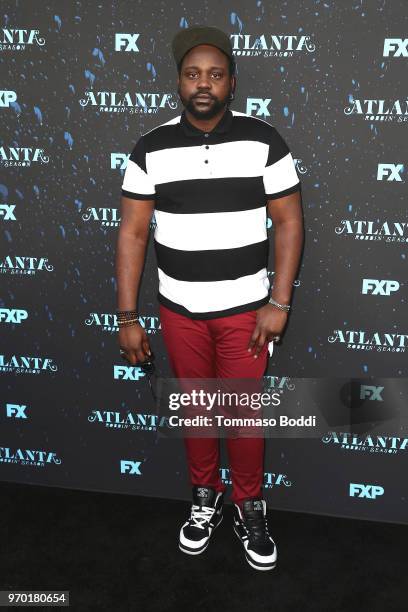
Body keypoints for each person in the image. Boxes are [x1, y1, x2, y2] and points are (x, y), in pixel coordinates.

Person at [115, 25, 304, 571]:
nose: (204, 84)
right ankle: (205, 497)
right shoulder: (150, 147)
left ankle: (248, 505)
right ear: (179, 80)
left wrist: (280, 303)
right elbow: (131, 232)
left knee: (244, 419)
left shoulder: (264, 140)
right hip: (179, 312)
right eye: (194, 73)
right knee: (196, 413)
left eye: (215, 75)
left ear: (232, 84)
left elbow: (290, 223)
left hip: (247, 311)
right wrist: (127, 316)